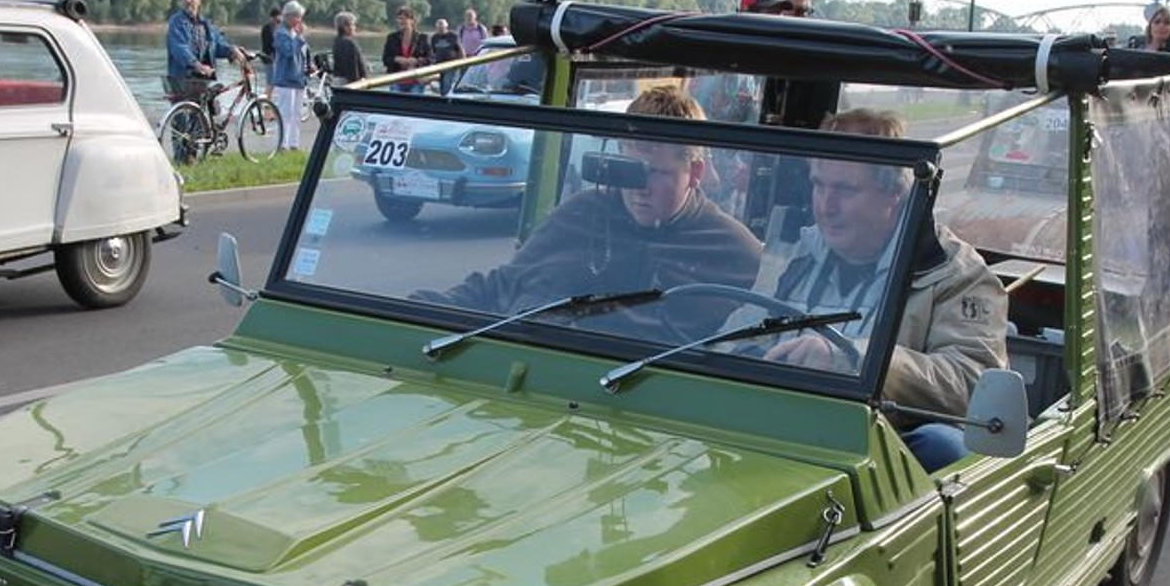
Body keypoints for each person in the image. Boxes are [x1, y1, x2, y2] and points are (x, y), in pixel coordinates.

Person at [764, 108, 1007, 469]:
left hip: (885, 457)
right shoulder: (799, 256)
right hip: (784, 430)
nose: (826, 206)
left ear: (894, 194)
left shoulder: (957, 275)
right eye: (819, 185)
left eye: (845, 189)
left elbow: (975, 385)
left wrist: (854, 361)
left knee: (942, 445)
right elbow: (740, 329)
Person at [421, 86, 761, 314]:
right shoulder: (580, 213)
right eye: (631, 170)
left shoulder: (729, 250)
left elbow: (691, 345)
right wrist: (419, 312)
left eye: (657, 173)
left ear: (695, 172)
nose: (639, 188)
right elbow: (504, 284)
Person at [165, 0, 248, 104]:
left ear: (198, 0)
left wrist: (232, 50)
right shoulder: (176, 22)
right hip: (182, 79)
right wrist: (197, 64)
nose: (187, 1)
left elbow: (217, 45)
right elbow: (179, 47)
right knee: (183, 118)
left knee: (205, 113)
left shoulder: (206, 24)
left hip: (202, 80)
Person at [269, 0, 309, 150]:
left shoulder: (295, 33)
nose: (299, 20)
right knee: (285, 113)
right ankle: (281, 144)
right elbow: (288, 52)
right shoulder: (280, 33)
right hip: (285, 78)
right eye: (296, 17)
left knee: (297, 114)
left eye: (300, 17)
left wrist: (309, 66)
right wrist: (298, 38)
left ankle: (294, 143)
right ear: (287, 16)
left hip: (299, 78)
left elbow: (303, 52)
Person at [382, 6, 431, 94]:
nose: (400, 21)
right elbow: (385, 59)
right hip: (396, 79)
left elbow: (431, 58)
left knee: (414, 105)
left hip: (417, 80)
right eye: (398, 19)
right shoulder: (391, 38)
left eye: (403, 19)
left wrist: (417, 61)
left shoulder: (422, 38)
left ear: (411, 20)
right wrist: (396, 59)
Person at [331, 11, 369, 86]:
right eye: (353, 24)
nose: (354, 27)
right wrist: (356, 84)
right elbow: (352, 67)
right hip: (347, 82)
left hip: (339, 80)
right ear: (345, 27)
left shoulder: (337, 41)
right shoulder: (349, 43)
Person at [428, 17, 462, 94]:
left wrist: (461, 63)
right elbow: (432, 51)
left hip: (450, 65)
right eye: (438, 28)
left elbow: (460, 50)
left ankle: (447, 99)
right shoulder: (434, 38)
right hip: (438, 65)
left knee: (447, 84)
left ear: (446, 27)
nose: (440, 29)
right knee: (439, 86)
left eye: (442, 27)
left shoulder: (453, 36)